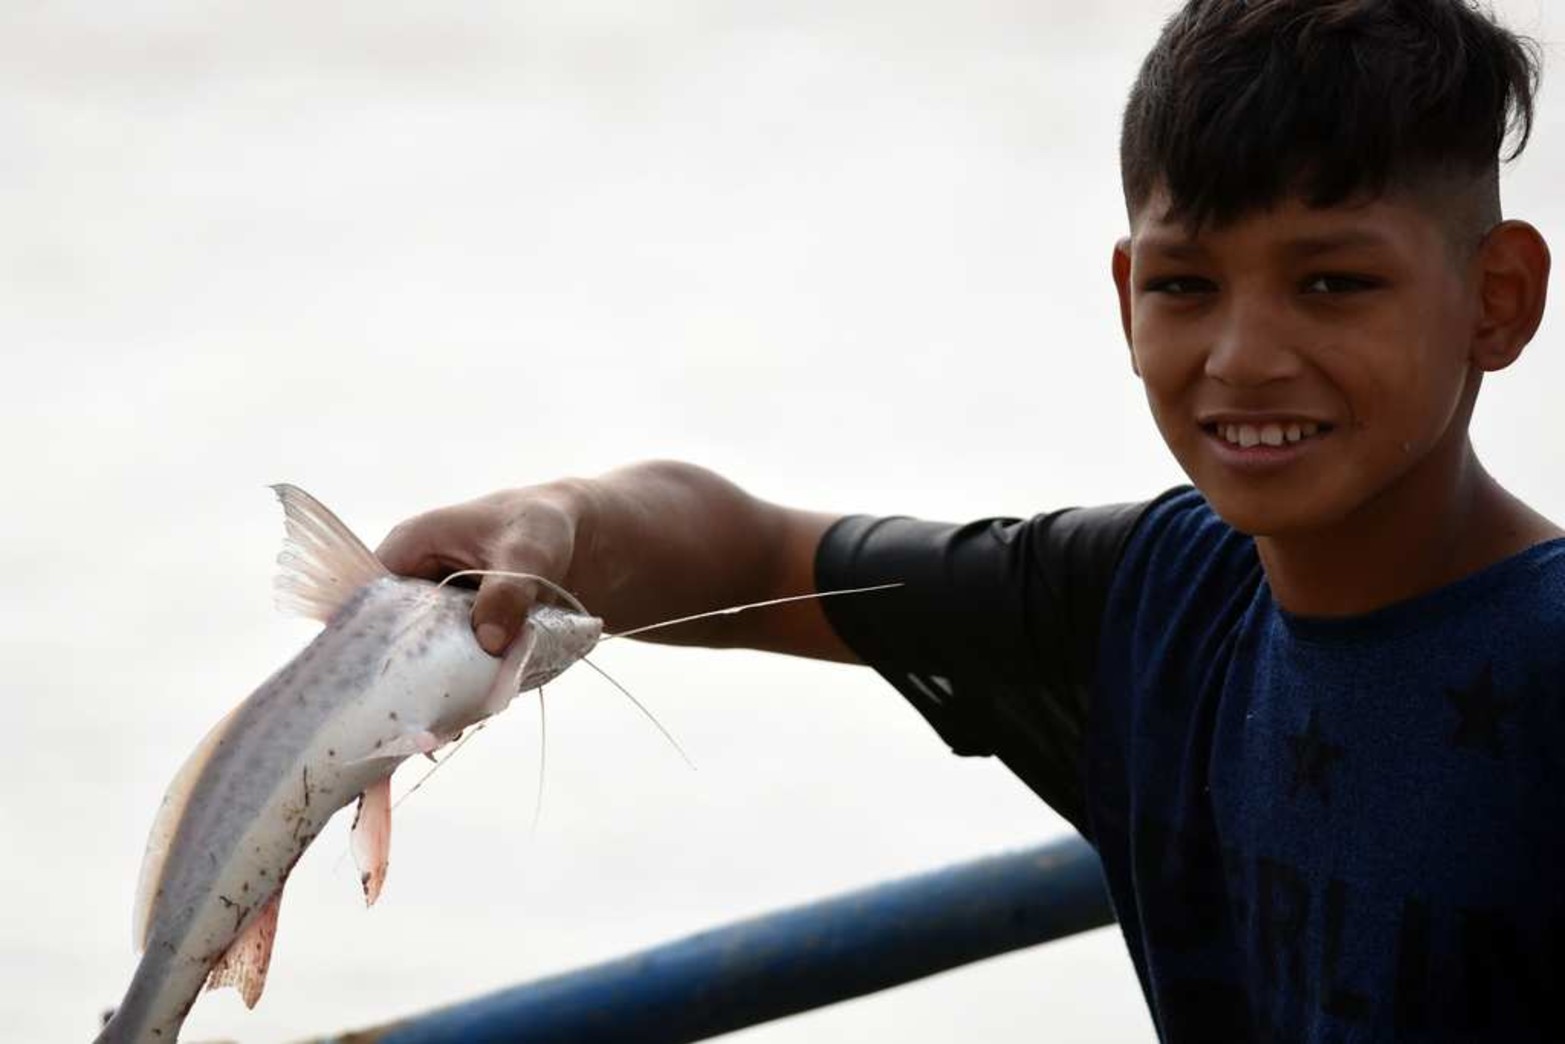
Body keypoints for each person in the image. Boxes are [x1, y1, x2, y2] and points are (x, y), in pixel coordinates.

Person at [375, 1, 1558, 1039]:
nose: (1241, 358)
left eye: (1332, 283)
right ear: (1125, 297)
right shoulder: (1155, 601)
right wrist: (557, 525)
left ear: (1494, 300)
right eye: (1185, 285)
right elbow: (755, 552)